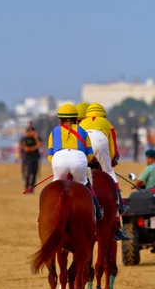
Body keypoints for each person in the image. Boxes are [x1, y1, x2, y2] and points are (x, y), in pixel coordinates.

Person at [80, 102, 130, 241]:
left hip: (85, 149)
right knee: (109, 174)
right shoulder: (107, 124)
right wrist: (111, 160)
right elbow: (113, 149)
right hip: (101, 146)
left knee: (80, 176)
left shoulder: (82, 124)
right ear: (103, 114)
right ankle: (120, 206)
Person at [47, 104, 103, 220]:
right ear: (76, 119)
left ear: (60, 119)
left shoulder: (54, 131)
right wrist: (82, 165)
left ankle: (44, 213)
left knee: (55, 185)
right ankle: (97, 210)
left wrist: (59, 166)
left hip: (59, 159)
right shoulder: (82, 131)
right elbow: (90, 155)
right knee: (84, 184)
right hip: (78, 159)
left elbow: (50, 156)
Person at [20, 125, 42, 192]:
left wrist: (36, 138)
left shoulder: (37, 138)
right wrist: (35, 147)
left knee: (35, 174)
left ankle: (32, 188)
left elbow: (40, 145)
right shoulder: (25, 139)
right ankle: (27, 187)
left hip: (36, 158)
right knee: (28, 173)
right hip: (28, 159)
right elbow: (26, 149)